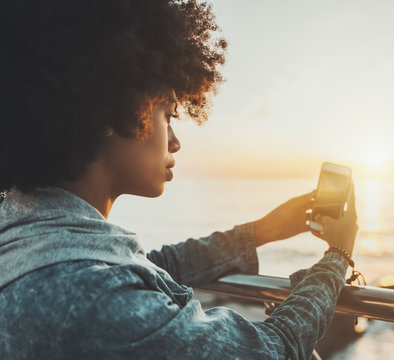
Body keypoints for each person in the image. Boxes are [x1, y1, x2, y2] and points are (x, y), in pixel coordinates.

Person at [0, 1, 358, 359]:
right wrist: (337, 256)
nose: (175, 141)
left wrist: (260, 232)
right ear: (110, 113)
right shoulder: (96, 299)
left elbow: (152, 265)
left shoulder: (27, 236)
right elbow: (269, 350)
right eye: (167, 115)